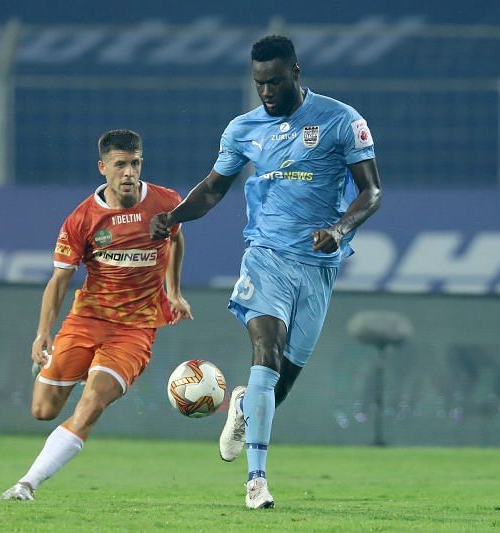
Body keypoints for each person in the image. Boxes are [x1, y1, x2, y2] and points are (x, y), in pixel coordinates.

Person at [150, 35, 382, 509]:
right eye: (259, 83)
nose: (267, 92)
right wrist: (174, 217)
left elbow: (372, 192)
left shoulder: (341, 120)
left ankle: (242, 405)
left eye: (275, 81)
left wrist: (339, 229)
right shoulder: (243, 128)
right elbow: (214, 189)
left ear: (295, 73)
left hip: (319, 264)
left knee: (282, 380)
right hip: (266, 255)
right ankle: (256, 481)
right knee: (266, 353)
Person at [1, 129, 193, 501]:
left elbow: (176, 238)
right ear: (102, 167)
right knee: (43, 410)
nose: (129, 173)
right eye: (120, 165)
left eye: (135, 163)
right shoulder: (82, 219)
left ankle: (27, 483)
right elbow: (59, 281)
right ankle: (73, 366)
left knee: (91, 406)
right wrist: (43, 333)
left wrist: (174, 291)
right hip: (86, 321)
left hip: (134, 330)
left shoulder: (166, 203)